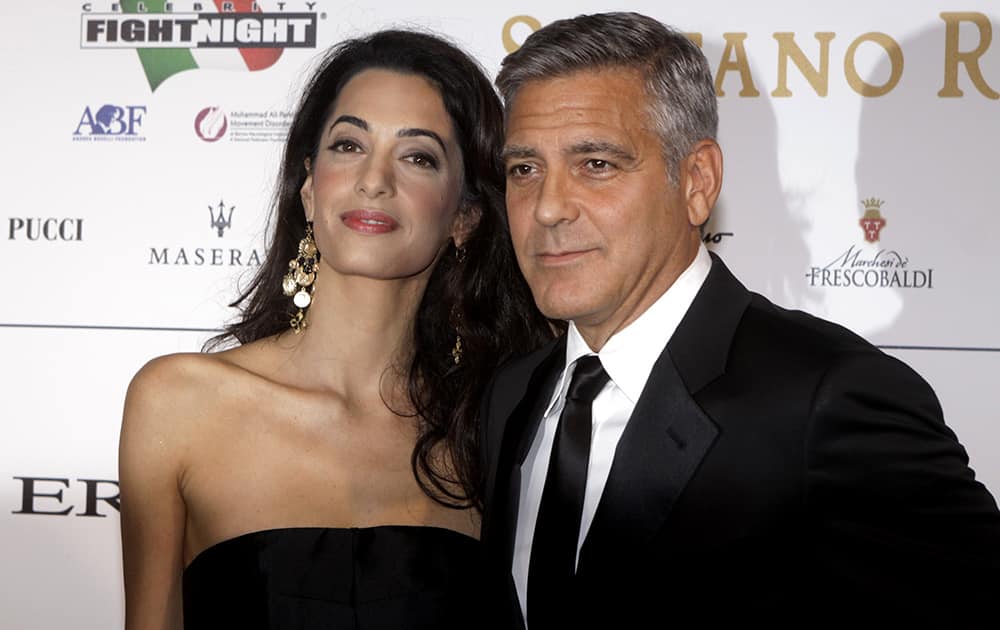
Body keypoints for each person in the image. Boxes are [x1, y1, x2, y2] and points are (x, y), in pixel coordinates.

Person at [478, 12, 1000, 629]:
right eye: (524, 169)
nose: (547, 208)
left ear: (697, 182)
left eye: (596, 164)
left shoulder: (828, 399)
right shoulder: (512, 394)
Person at [119, 29, 551, 630]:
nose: (374, 179)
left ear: (465, 216)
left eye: (418, 156)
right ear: (307, 185)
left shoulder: (495, 428)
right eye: (348, 145)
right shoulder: (179, 402)